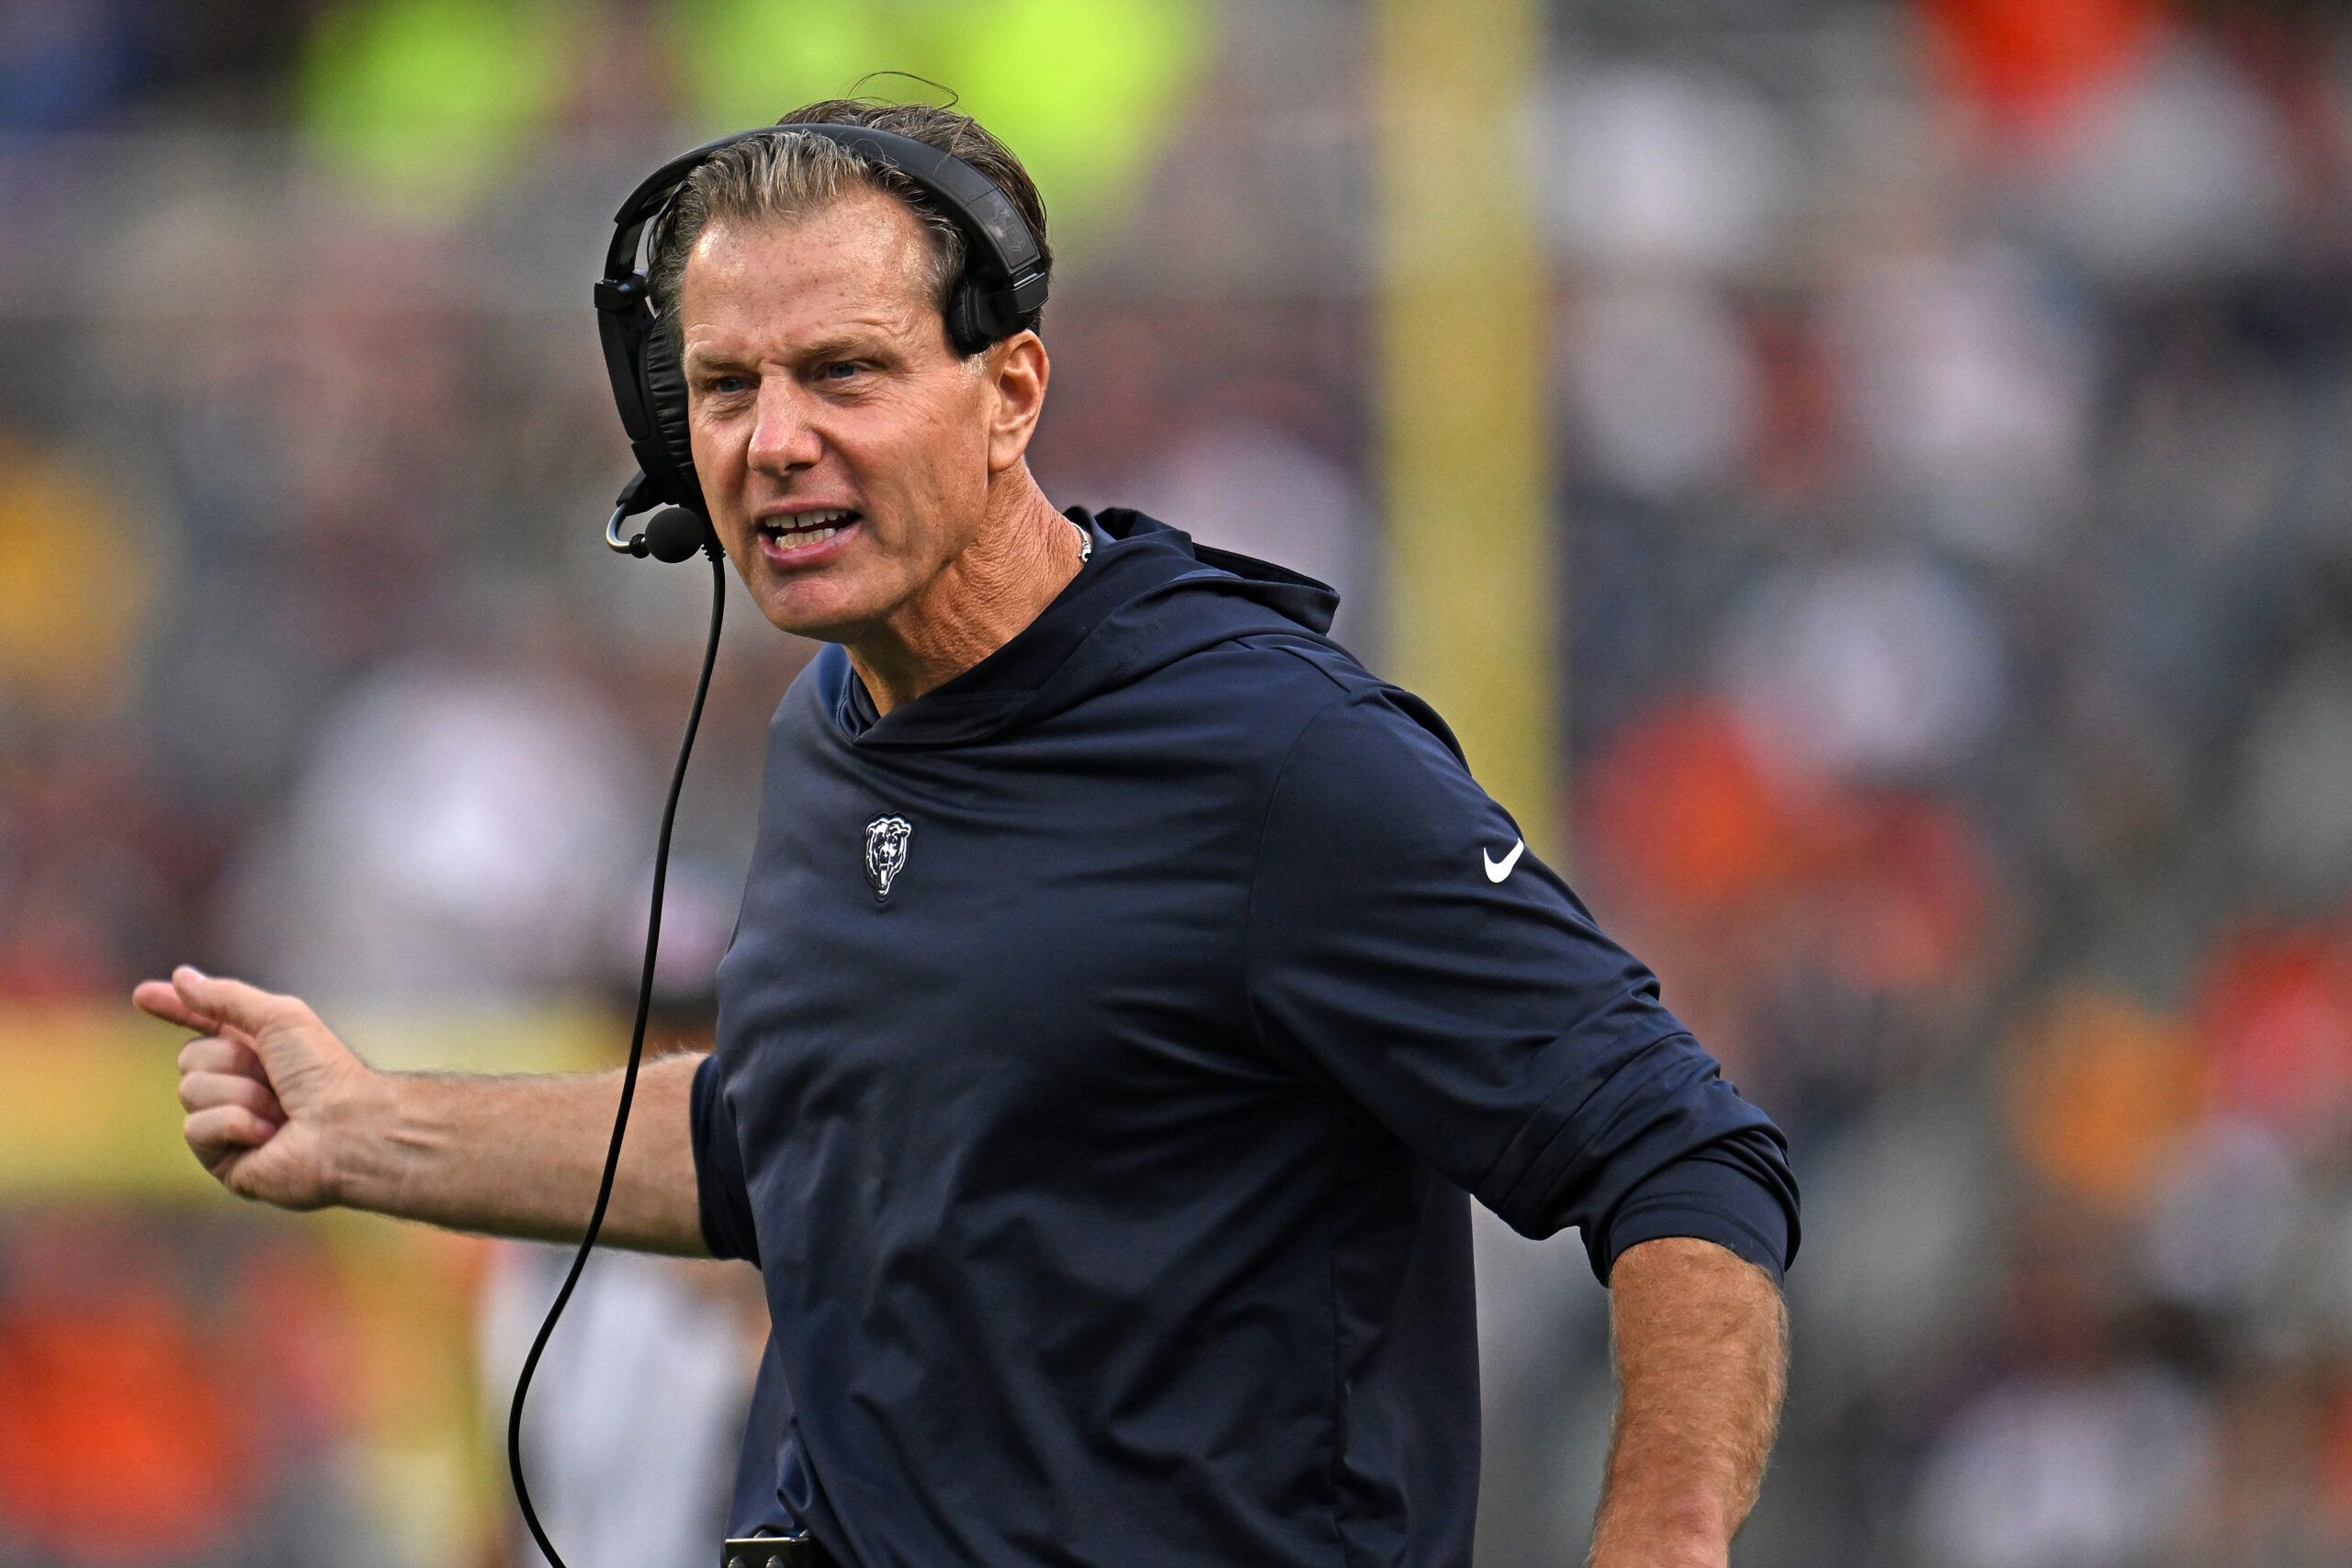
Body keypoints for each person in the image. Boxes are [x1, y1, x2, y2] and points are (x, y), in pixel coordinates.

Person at [136, 99, 1798, 1568]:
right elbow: (772, 1136)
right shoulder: (827, 729)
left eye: (843, 370)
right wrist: (370, 1131)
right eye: (723, 386)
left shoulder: (1279, 759)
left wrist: (1659, 1534)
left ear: (1010, 393)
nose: (772, 437)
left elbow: (1681, 1153)